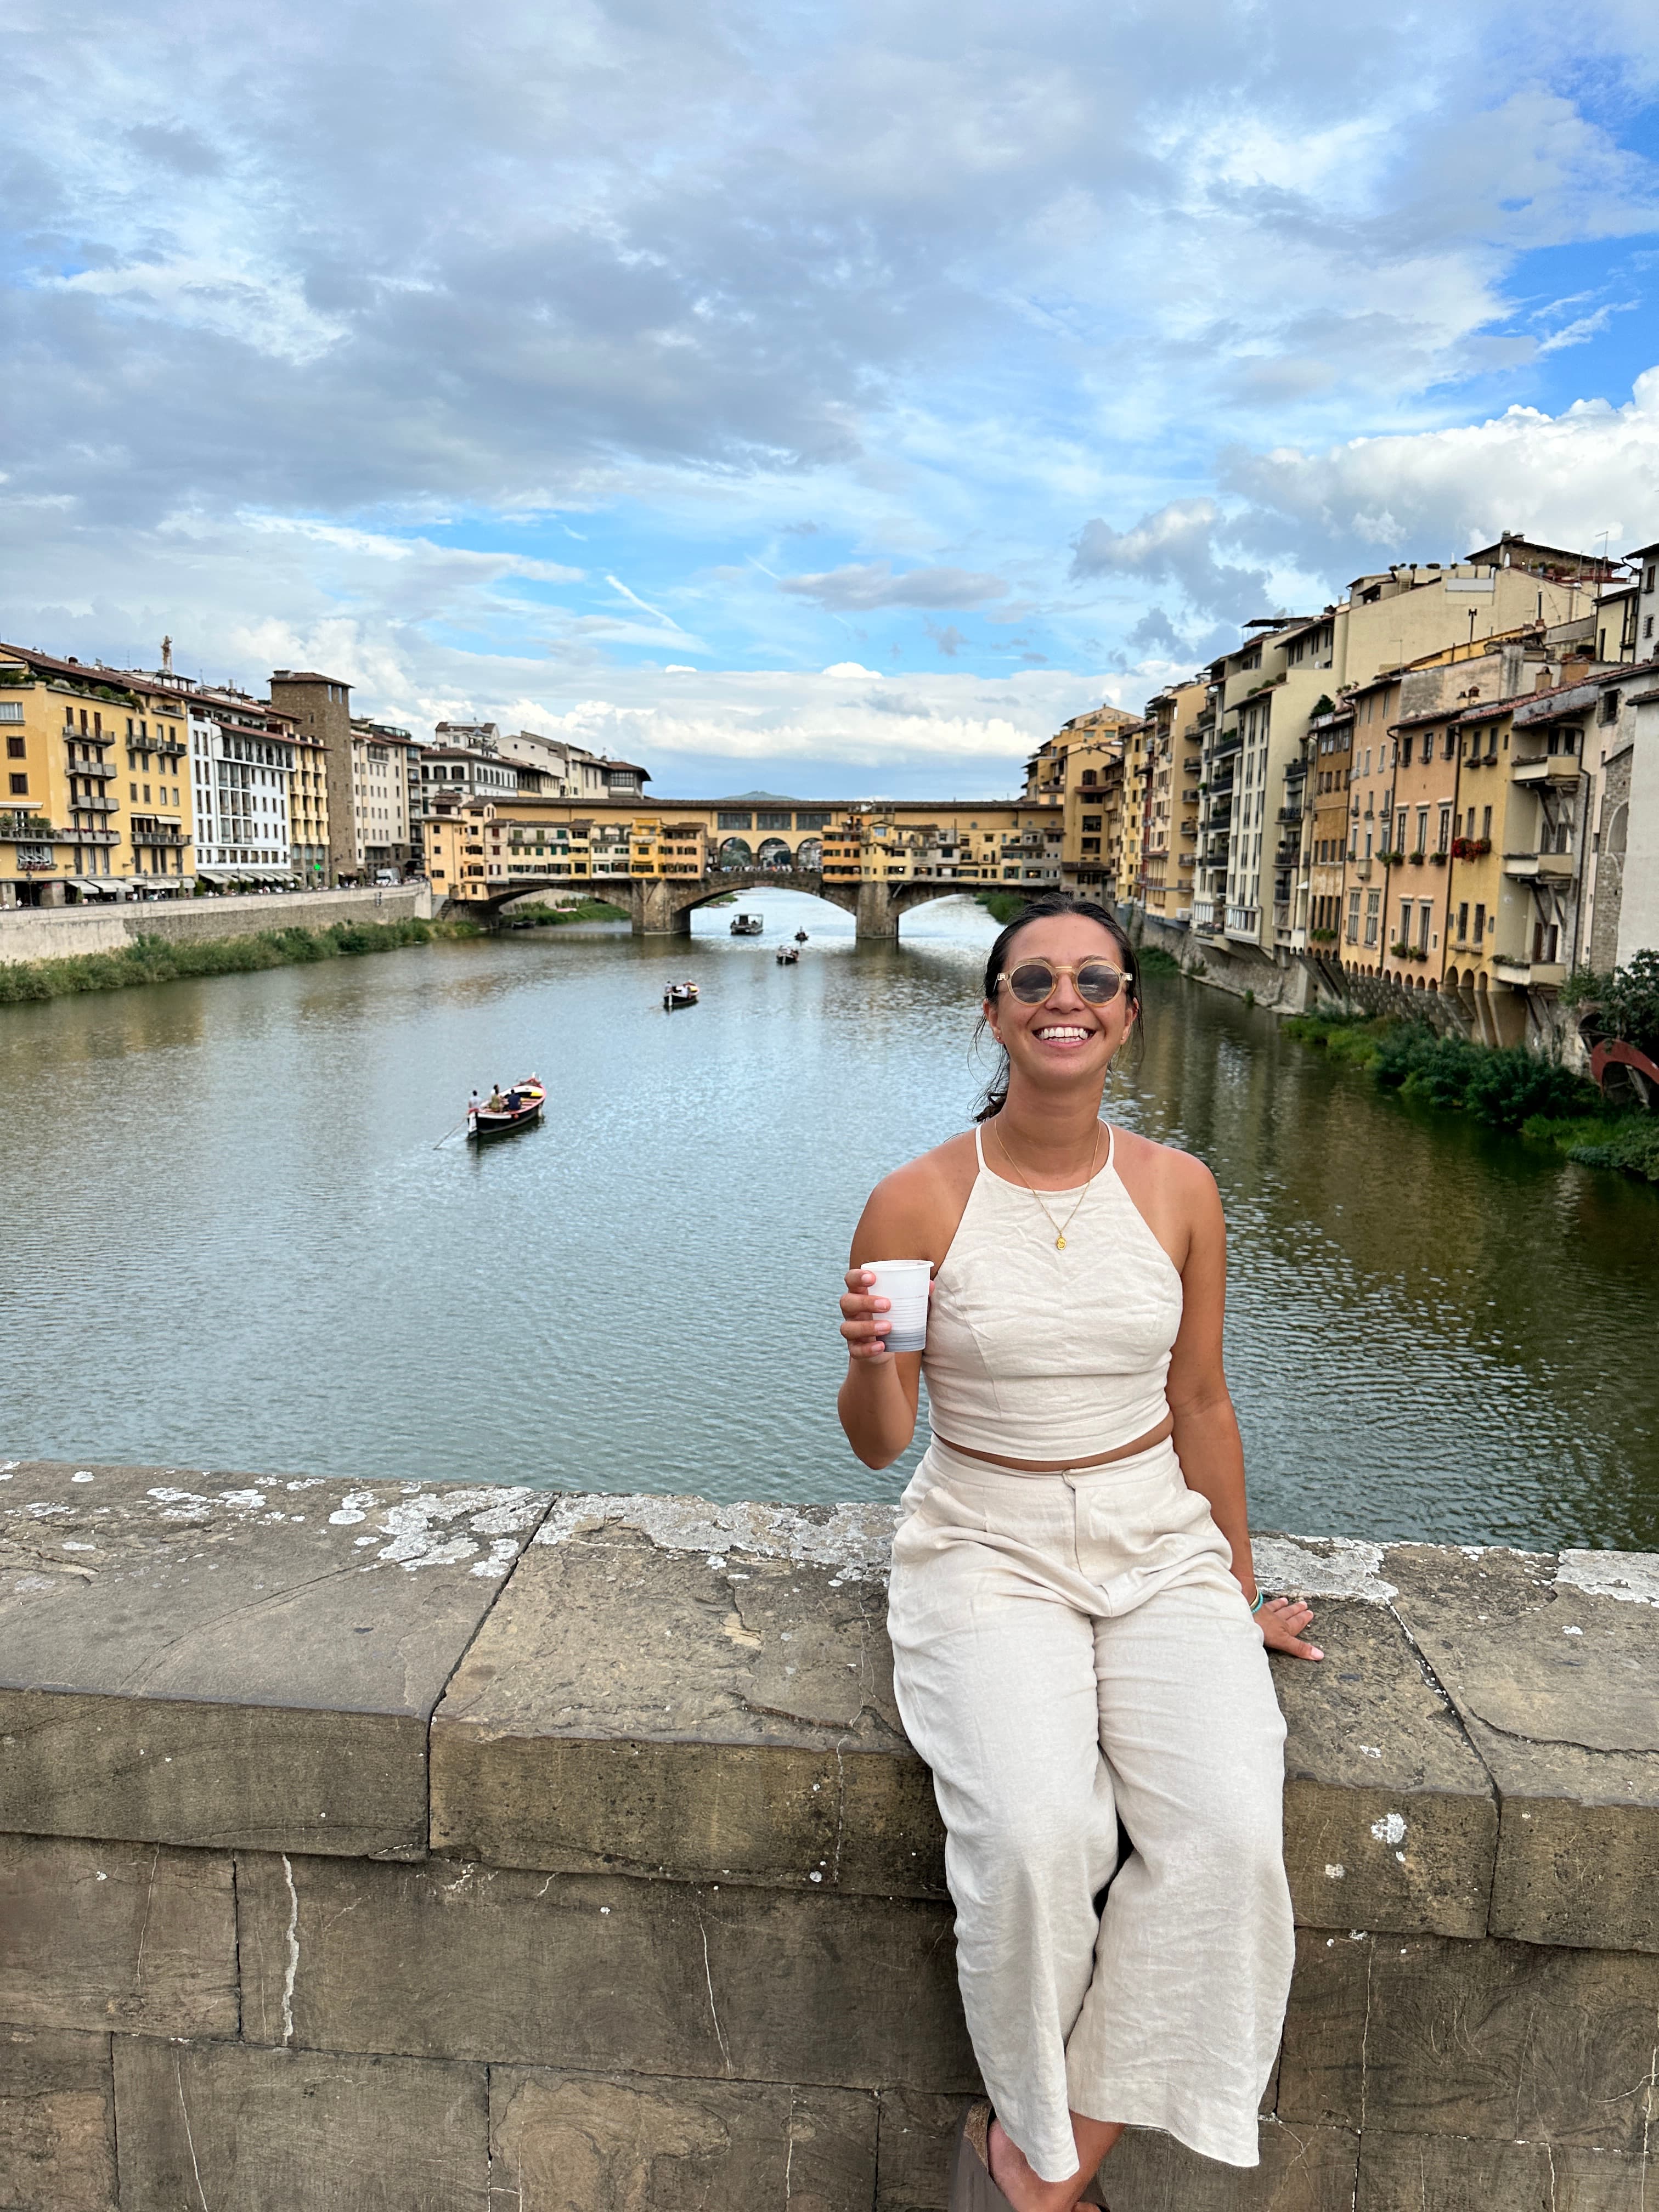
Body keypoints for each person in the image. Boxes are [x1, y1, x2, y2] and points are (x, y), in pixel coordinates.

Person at [837, 894, 1320, 2212]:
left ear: (1128, 1014)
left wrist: (1232, 1588)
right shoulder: (918, 1194)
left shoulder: (1181, 1189)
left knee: (1226, 1834)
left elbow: (1204, 1402)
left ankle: (1044, 2163)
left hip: (1155, 1537)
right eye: (1035, 978)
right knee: (1040, 1839)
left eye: (1094, 980)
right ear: (994, 1011)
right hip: (983, 1542)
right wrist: (871, 1356)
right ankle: (1046, 2160)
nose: (1068, 998)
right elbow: (881, 1442)